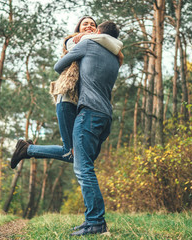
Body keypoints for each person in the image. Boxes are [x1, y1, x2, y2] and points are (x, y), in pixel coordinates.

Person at [10, 17, 123, 168]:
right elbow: (63, 61)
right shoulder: (74, 40)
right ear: (78, 29)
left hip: (85, 103)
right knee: (72, 153)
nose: (89, 26)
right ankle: (27, 149)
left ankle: (28, 149)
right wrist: (85, 37)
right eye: (85, 24)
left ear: (97, 30)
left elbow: (114, 53)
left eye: (92, 25)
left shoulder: (95, 44)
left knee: (79, 154)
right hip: (68, 97)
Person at [53, 21, 121, 236]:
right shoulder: (115, 57)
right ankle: (90, 220)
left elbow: (58, 66)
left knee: (84, 170)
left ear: (99, 32)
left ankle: (95, 222)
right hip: (105, 117)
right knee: (85, 165)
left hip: (89, 114)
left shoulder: (89, 44)